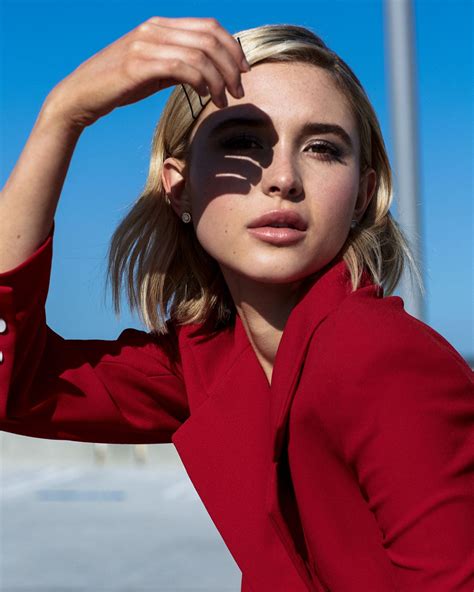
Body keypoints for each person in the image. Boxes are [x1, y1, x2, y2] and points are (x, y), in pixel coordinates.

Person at [0, 16, 472, 592]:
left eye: (322, 148)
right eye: (243, 142)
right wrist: (63, 113)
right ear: (179, 188)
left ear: (362, 196)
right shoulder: (211, 361)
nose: (284, 178)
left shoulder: (380, 358)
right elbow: (15, 386)